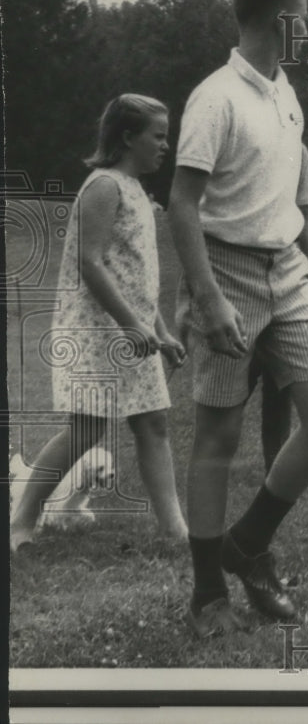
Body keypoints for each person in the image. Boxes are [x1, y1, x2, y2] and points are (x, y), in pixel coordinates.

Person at [169, 0, 308, 638]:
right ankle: (207, 592)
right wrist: (207, 294)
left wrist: (306, 262)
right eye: (306, 13)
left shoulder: (286, 92)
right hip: (229, 272)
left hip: (288, 272)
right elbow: (183, 205)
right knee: (217, 436)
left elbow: (286, 195)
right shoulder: (214, 97)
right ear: (284, 20)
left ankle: (247, 542)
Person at [10, 95, 188, 553]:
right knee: (86, 430)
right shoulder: (103, 186)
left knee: (153, 426)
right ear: (128, 137)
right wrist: (131, 325)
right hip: (96, 331)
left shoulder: (138, 192)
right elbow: (90, 264)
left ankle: (176, 530)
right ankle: (21, 522)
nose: (166, 145)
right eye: (159, 136)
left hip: (134, 332)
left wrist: (161, 330)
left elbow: (138, 276)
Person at [255, 145, 308, 474]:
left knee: (280, 383)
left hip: (285, 275)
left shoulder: (297, 150)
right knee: (230, 388)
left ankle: (275, 468)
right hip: (236, 274)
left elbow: (305, 211)